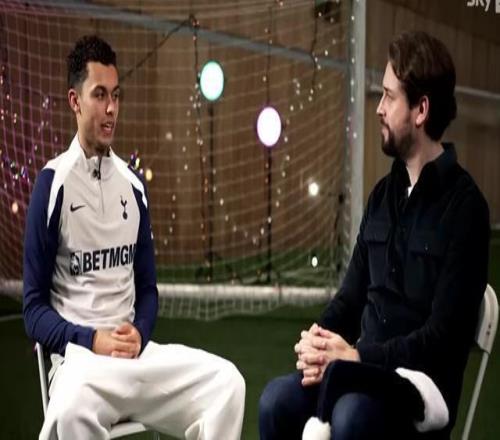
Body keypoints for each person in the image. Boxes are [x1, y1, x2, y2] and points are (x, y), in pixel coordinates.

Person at [259, 30, 490, 440]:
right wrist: (319, 340)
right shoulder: (383, 196)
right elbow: (350, 299)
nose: (379, 108)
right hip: (360, 371)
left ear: (420, 110)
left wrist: (358, 354)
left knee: (351, 415)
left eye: (388, 96)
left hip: (421, 390)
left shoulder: (466, 208)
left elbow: (441, 340)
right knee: (275, 401)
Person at [23, 35, 245, 440]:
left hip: (136, 358)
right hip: (82, 366)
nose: (111, 108)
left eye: (116, 95)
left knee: (226, 383)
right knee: (70, 411)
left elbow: (148, 290)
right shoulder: (52, 185)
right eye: (99, 95)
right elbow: (33, 310)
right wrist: (92, 340)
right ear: (75, 101)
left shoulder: (133, 186)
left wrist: (140, 330)